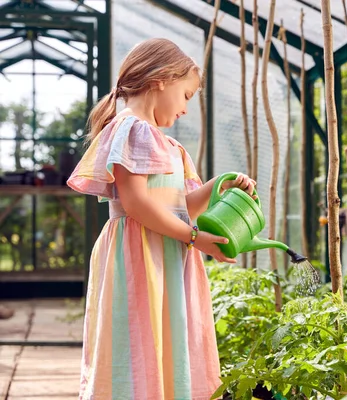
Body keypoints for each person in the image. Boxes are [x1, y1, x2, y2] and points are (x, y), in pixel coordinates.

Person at [67, 38, 255, 400]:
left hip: (164, 255)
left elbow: (182, 206)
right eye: (186, 95)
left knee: (165, 342)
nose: (186, 109)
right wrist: (193, 237)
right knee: (137, 340)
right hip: (138, 258)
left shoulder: (169, 146)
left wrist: (220, 184)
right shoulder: (132, 129)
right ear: (162, 79)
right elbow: (136, 203)